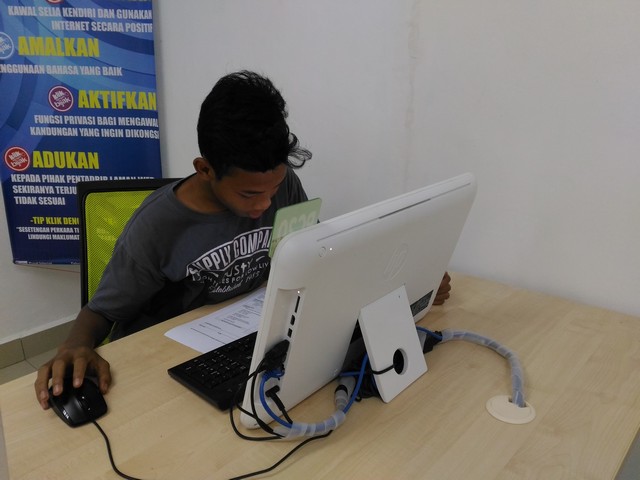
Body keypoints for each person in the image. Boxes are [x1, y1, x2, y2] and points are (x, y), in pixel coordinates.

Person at [34, 70, 453, 409]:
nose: (265, 203)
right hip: (169, 365)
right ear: (205, 170)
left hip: (246, 340)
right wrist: (74, 346)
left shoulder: (282, 184)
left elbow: (315, 257)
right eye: (250, 194)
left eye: (274, 188)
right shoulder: (156, 226)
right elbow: (101, 313)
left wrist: (402, 284)